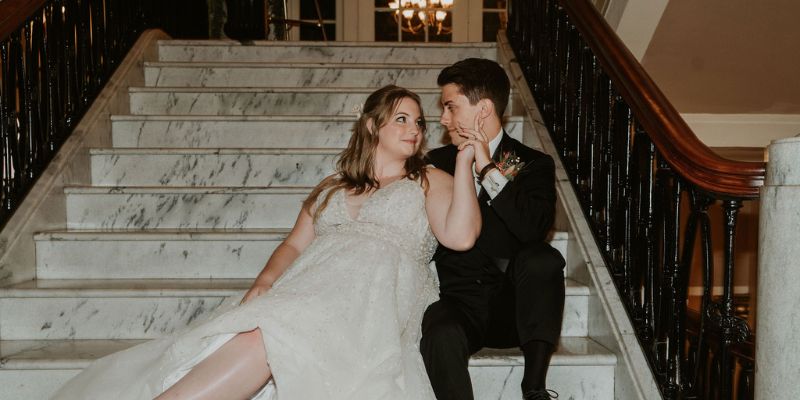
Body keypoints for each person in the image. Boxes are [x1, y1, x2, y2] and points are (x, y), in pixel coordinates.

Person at [51, 85, 482, 400]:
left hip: (375, 301)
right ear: (372, 125)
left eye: (419, 123)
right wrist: (266, 278)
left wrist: (465, 162)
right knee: (256, 334)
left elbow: (460, 236)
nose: (415, 130)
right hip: (312, 287)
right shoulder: (332, 186)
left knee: (270, 336)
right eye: (401, 119)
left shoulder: (427, 179)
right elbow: (294, 245)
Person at [421, 58, 566, 400]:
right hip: (458, 301)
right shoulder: (435, 163)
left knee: (543, 258)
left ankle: (534, 389)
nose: (443, 118)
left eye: (450, 106)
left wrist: (487, 168)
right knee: (439, 330)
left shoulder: (531, 163)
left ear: (482, 109)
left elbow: (533, 229)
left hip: (512, 310)